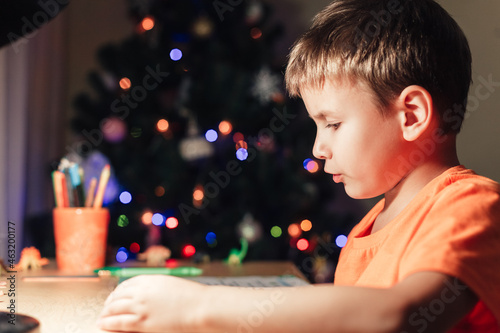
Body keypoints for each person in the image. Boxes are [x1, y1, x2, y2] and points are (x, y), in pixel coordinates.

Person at [97, 0, 500, 332]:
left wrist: (199, 307)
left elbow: (396, 315)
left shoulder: (472, 205)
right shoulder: (370, 226)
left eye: (333, 123)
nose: (318, 148)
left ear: (411, 115)